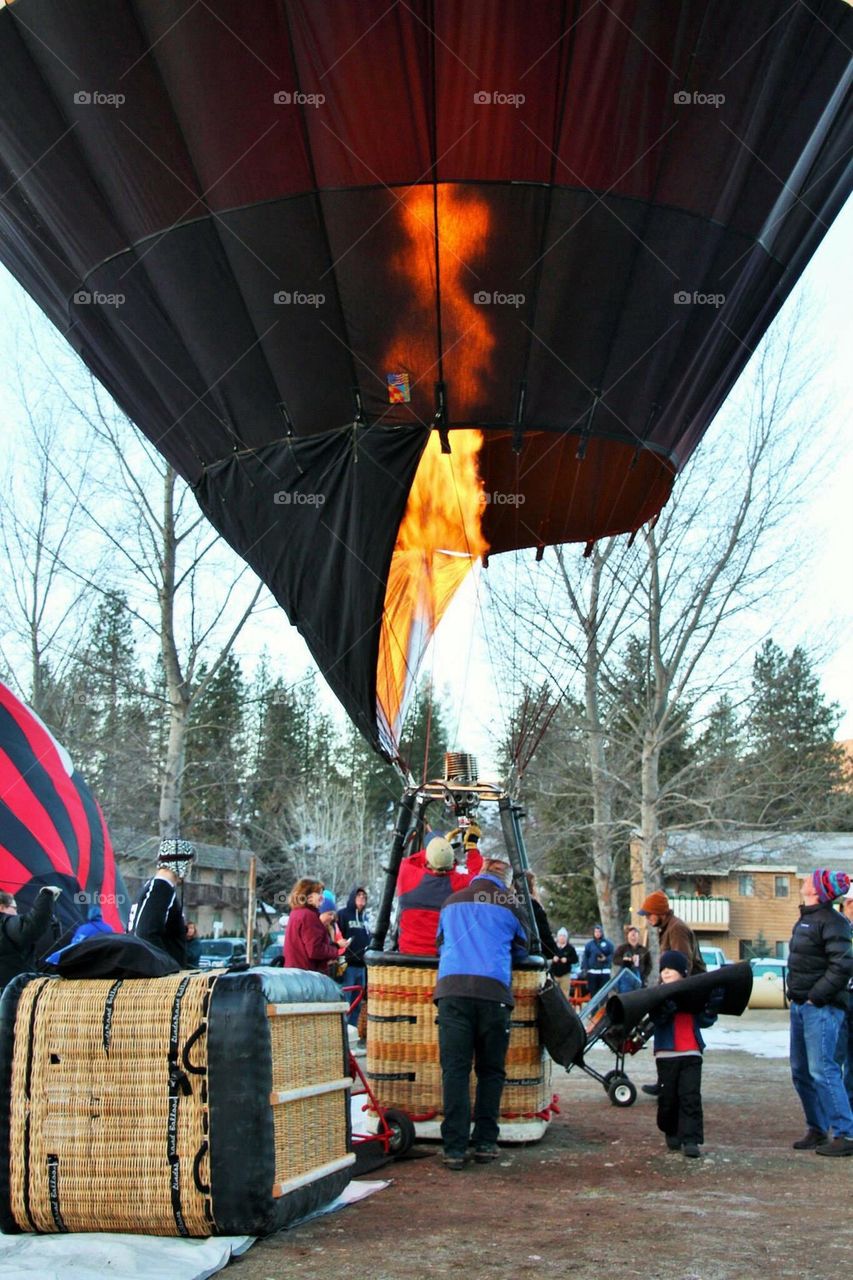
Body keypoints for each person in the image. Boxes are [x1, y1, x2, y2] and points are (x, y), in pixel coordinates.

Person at [434, 856, 529, 1169]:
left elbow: (440, 944)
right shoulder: (510, 905)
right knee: (491, 1070)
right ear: (503, 879)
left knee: (455, 1070)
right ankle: (486, 1141)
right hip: (493, 995)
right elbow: (523, 949)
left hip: (452, 993)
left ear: (478, 875)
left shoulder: (451, 902)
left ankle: (454, 1149)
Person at [786, 869, 853, 1157]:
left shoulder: (834, 922)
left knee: (823, 1070)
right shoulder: (806, 917)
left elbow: (842, 964)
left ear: (818, 890)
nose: (806, 880)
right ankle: (817, 1128)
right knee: (801, 1072)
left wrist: (816, 996)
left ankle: (845, 1133)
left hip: (821, 1009)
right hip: (800, 1006)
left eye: (812, 878)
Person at [650, 949, 720, 1158]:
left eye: (671, 969)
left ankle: (691, 1139)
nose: (666, 972)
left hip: (691, 1052)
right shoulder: (656, 994)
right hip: (667, 1054)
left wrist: (711, 1008)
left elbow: (705, 1020)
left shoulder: (693, 993)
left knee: (690, 1096)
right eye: (663, 969)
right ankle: (671, 1130)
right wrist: (664, 1010)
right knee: (668, 1097)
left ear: (683, 972)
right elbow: (655, 1020)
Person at [396, 829, 483, 955]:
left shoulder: (407, 875)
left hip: (409, 955)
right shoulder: (459, 884)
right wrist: (472, 847)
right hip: (443, 958)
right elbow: (478, 877)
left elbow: (410, 860)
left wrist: (437, 846)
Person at [128, 838, 195, 967]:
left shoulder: (153, 887)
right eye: (189, 863)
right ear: (183, 863)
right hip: (160, 981)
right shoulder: (160, 888)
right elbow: (144, 934)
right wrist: (169, 965)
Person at [0, 885, 62, 990]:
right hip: (11, 994)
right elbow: (32, 924)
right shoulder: (5, 923)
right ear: (1, 907)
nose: (16, 912)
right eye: (14, 908)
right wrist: (46, 895)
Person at [637, 891, 706, 975]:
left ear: (659, 912)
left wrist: (675, 986)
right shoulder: (668, 928)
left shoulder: (676, 929)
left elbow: (682, 964)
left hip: (690, 984)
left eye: (649, 915)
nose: (647, 918)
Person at [283, 878, 342, 974]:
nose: (322, 897)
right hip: (307, 976)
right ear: (308, 895)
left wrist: (335, 946)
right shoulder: (308, 916)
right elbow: (314, 950)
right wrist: (335, 952)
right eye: (319, 893)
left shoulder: (296, 912)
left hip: (294, 973)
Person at [338, 886, 371, 1032]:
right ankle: (342, 1032)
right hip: (348, 965)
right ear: (352, 898)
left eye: (364, 896)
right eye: (359, 895)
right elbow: (337, 937)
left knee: (357, 1003)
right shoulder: (343, 915)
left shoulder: (365, 919)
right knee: (345, 1001)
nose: (362, 898)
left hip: (362, 966)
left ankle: (352, 1032)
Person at [523, 870, 558, 960]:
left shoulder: (510, 902)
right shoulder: (533, 906)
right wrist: (554, 951)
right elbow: (544, 931)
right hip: (533, 953)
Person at [581, 924, 614, 998]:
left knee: (603, 995)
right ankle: (594, 1009)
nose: (597, 933)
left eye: (599, 931)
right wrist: (585, 969)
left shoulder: (609, 944)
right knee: (593, 995)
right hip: (592, 973)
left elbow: (612, 955)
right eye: (596, 931)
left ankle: (603, 1009)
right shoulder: (589, 945)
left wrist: (606, 959)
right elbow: (585, 957)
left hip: (604, 972)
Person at [550, 927, 578, 995]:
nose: (562, 937)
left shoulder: (570, 948)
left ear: (566, 937)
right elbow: (546, 958)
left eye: (564, 936)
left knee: (565, 994)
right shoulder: (553, 947)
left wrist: (567, 960)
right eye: (560, 936)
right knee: (553, 994)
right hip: (553, 975)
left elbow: (575, 960)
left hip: (565, 975)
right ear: (557, 937)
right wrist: (553, 959)